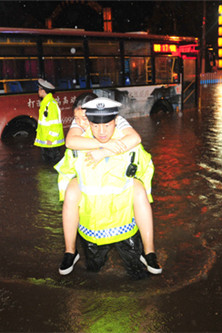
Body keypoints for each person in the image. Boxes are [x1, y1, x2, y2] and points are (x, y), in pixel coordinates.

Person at [54, 97, 160, 279]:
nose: (81, 124)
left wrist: (106, 151)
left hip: (125, 224)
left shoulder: (126, 137)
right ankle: (70, 252)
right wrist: (105, 145)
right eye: (77, 120)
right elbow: (70, 147)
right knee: (93, 276)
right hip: (93, 229)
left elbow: (139, 149)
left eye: (84, 119)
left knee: (138, 277)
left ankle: (149, 253)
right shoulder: (78, 140)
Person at [34, 79, 64, 163]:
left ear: (43, 91)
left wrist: (50, 138)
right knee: (48, 166)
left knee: (52, 165)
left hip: (51, 142)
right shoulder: (45, 103)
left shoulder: (51, 104)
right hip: (47, 141)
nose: (38, 91)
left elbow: (55, 124)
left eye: (39, 89)